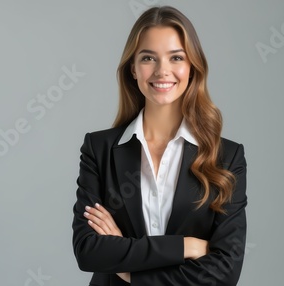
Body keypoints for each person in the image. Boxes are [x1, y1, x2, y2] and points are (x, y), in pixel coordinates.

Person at [72, 6, 247, 286]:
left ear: (192, 67)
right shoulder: (99, 148)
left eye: (176, 57)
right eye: (148, 58)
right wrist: (184, 246)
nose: (162, 71)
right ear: (133, 68)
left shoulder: (226, 157)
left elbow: (225, 270)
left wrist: (130, 271)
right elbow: (88, 251)